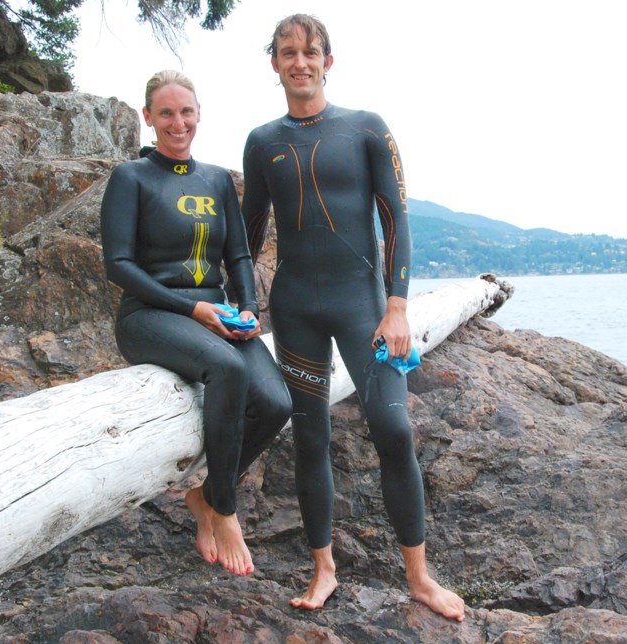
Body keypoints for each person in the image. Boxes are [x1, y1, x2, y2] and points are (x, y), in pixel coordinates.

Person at [242, 15, 465, 621]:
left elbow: (396, 219)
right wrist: (236, 304)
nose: (300, 62)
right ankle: (323, 570)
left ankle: (418, 576)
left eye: (310, 52)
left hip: (365, 305)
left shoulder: (367, 128)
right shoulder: (262, 142)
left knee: (393, 430)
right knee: (310, 436)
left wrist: (397, 306)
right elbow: (248, 234)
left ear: (328, 61)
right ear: (275, 64)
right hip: (295, 308)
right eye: (288, 53)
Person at [100, 70, 291, 577]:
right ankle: (225, 512)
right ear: (148, 117)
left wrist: (248, 308)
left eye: (186, 112)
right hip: (151, 316)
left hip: (218, 314)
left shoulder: (216, 180)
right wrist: (193, 310)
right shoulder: (131, 178)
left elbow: (238, 254)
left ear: (199, 113)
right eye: (165, 113)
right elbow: (118, 264)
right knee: (228, 370)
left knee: (276, 403)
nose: (177, 122)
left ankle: (204, 496)